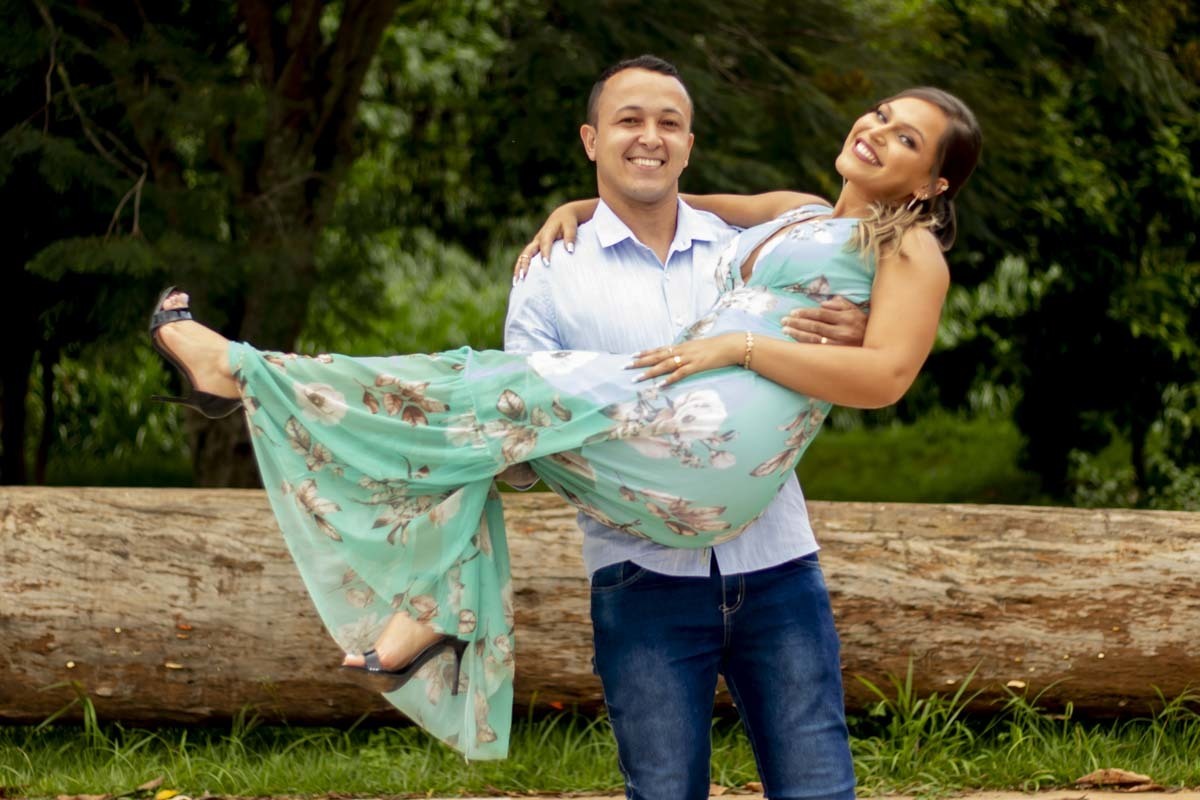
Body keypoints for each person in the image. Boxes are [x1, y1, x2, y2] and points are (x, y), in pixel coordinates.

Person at [146, 68, 981, 771]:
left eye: (907, 138)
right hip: (654, 503)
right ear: (592, 139)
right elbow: (675, 198)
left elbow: (888, 377)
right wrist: (579, 211)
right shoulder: (793, 209)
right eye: (881, 114)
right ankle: (432, 602)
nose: (878, 131)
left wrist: (742, 348)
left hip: (726, 480)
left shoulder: (908, 247)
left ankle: (248, 374)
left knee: (490, 394)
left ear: (931, 184)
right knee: (490, 411)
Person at [501, 56, 869, 800]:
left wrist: (856, 330)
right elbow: (522, 430)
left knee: (820, 788)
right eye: (629, 121)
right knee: (665, 791)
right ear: (590, 139)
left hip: (779, 566)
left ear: (689, 145)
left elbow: (855, 337)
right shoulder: (549, 273)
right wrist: (506, 453)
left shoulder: (752, 249)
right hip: (641, 578)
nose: (650, 137)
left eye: (669, 123)